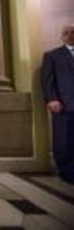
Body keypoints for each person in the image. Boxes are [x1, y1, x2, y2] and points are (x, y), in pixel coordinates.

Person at [41, 25, 74, 184]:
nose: (70, 35)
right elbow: (47, 80)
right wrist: (51, 99)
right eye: (66, 33)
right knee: (64, 139)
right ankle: (66, 170)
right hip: (64, 104)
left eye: (73, 32)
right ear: (62, 37)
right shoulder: (52, 55)